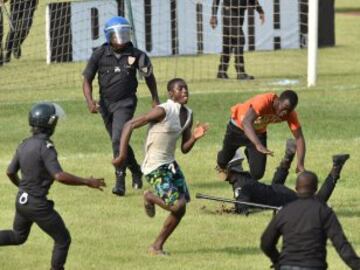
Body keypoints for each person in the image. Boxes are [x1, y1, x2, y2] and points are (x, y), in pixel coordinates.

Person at [0, 102, 106, 270]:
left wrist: (22, 187)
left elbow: (9, 172)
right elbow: (59, 175)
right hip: (37, 205)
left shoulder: (24, 144)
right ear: (50, 124)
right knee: (63, 239)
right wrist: (87, 181)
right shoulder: (45, 147)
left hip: (22, 201)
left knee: (17, 236)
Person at [112, 78, 208, 255]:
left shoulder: (188, 114)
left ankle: (156, 247)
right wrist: (122, 155)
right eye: (180, 89)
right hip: (155, 166)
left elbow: (184, 148)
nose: (185, 91)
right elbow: (129, 124)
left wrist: (194, 137)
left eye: (186, 88)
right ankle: (149, 197)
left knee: (181, 209)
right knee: (177, 205)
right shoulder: (163, 110)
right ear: (171, 94)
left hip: (170, 164)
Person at [82, 16, 160, 197]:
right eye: (117, 35)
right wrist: (90, 101)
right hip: (105, 105)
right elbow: (87, 79)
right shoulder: (100, 54)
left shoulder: (137, 55)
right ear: (109, 36)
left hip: (125, 103)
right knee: (119, 140)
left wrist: (155, 98)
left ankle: (120, 181)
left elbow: (149, 76)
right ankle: (136, 170)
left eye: (124, 34)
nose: (121, 39)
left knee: (118, 138)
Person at [260, 169, 360, 270]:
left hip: (287, 265)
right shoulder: (323, 211)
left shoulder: (285, 212)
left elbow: (266, 243)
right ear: (316, 188)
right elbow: (342, 245)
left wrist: (277, 261)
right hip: (314, 265)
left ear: (296, 188)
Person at [227, 139, 349, 214]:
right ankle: (288, 156)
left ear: (228, 169)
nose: (218, 170)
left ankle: (336, 167)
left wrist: (238, 209)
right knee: (274, 186)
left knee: (316, 203)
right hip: (277, 190)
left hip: (284, 198)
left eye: (219, 167)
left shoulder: (240, 187)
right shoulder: (246, 177)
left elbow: (243, 210)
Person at [217, 90, 306, 181]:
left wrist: (300, 164)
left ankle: (248, 155)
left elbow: (299, 138)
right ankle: (224, 160)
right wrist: (258, 145)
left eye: (289, 110)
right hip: (237, 128)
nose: (285, 113)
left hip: (258, 133)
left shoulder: (290, 114)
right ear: (278, 100)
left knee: (257, 174)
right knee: (223, 161)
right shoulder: (264, 101)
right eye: (284, 108)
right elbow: (246, 122)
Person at [210, 0, 265, 80]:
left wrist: (260, 11)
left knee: (229, 43)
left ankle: (222, 71)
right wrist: (213, 16)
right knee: (240, 39)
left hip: (238, 12)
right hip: (229, 11)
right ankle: (240, 72)